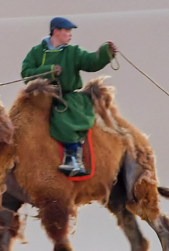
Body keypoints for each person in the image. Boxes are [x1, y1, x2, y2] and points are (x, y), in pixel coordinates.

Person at [20, 17, 116, 175]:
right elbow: (26, 73)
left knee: (64, 119)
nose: (70, 35)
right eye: (67, 31)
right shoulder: (36, 52)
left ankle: (73, 157)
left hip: (66, 99)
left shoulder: (73, 52)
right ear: (56, 31)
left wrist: (106, 53)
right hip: (40, 99)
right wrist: (48, 70)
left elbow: (91, 62)